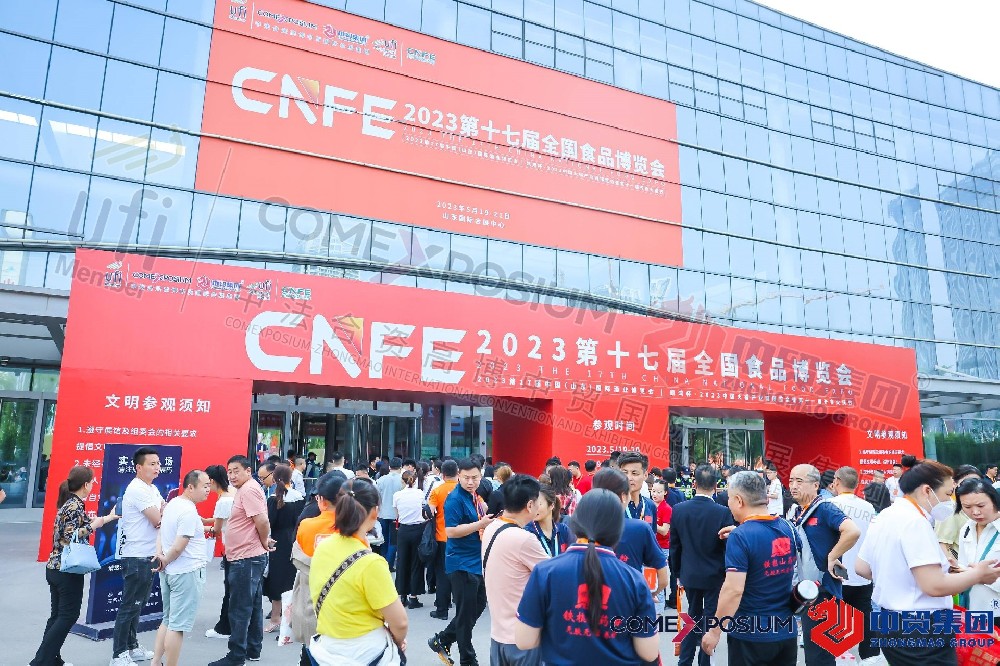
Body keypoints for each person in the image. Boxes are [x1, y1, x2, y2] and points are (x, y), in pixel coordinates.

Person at [856, 460, 1000, 665]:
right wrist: (978, 574)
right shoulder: (915, 522)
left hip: (890, 622)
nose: (949, 501)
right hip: (922, 627)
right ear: (927, 490)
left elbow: (862, 568)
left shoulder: (887, 515)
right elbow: (934, 586)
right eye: (947, 494)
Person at [514, 489, 660, 665]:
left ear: (576, 522)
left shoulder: (545, 572)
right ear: (618, 529)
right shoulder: (634, 580)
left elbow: (524, 641)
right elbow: (649, 652)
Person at [701, 471, 798, 665]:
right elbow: (767, 542)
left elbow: (733, 590)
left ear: (738, 500)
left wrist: (714, 631)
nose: (728, 503)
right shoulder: (788, 528)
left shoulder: (741, 537)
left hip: (750, 634)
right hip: (786, 631)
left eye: (729, 498)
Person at [308, 479, 407, 665]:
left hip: (326, 650)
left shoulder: (322, 547)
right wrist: (397, 641)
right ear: (375, 512)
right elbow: (400, 622)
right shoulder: (371, 563)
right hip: (366, 651)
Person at [31, 466, 119, 666]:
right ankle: (41, 661)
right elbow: (70, 535)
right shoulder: (74, 506)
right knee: (67, 615)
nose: (93, 485)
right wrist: (94, 526)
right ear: (86, 484)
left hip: (56, 567)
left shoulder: (70, 503)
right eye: (92, 482)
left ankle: (51, 659)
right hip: (67, 569)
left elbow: (81, 526)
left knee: (58, 616)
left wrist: (107, 518)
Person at [787, 464, 860, 666]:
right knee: (813, 653)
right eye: (791, 481)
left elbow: (852, 531)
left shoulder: (825, 508)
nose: (793, 486)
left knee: (820, 656)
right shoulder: (797, 511)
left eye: (799, 481)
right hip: (807, 591)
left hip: (824, 592)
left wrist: (833, 556)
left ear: (815, 485)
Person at [208, 456, 275, 666]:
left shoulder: (248, 490)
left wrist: (263, 541)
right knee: (252, 606)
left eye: (236, 471)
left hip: (246, 558)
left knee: (239, 609)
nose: (232, 475)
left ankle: (236, 656)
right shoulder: (246, 489)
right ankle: (252, 650)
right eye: (229, 471)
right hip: (247, 557)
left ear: (248, 470)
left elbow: (262, 521)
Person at [428, 458, 494, 666]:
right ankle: (467, 658)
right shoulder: (454, 499)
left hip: (476, 560)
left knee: (478, 606)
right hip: (460, 562)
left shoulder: (474, 496)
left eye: (474, 477)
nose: (470, 482)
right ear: (459, 476)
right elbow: (451, 531)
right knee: (465, 614)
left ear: (480, 476)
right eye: (466, 478)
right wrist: (480, 524)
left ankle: (444, 639)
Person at [669, 464, 733, 666]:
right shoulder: (723, 512)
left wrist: (677, 572)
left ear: (694, 484)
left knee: (691, 618)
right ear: (715, 486)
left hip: (689, 573)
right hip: (715, 575)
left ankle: (685, 661)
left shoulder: (679, 510)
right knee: (709, 619)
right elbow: (727, 547)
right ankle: (704, 661)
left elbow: (675, 546)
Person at [483, 475, 548, 666]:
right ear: (530, 505)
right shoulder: (523, 539)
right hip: (523, 638)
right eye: (538, 502)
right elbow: (552, 575)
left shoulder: (492, 527)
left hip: (498, 635)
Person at [150, 470, 212, 666]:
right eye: (205, 486)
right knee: (177, 626)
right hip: (186, 572)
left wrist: (161, 558)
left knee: (168, 619)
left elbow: (161, 533)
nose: (208, 490)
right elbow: (179, 546)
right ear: (190, 487)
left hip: (170, 572)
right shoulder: (188, 511)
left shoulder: (173, 504)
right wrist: (165, 559)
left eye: (209, 485)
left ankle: (156, 661)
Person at [111, 446, 164, 666]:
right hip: (137, 557)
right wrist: (163, 513)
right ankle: (118, 654)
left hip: (148, 555)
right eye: (152, 464)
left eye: (158, 463)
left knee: (137, 604)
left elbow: (164, 509)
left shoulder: (152, 488)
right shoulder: (137, 489)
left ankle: (132, 647)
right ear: (138, 467)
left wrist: (163, 512)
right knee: (129, 605)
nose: (157, 467)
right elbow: (158, 519)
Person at [829, 466, 880, 665]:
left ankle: (837, 659)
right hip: (861, 572)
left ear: (836, 481)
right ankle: (871, 659)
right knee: (866, 618)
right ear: (857, 485)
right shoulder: (868, 507)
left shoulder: (829, 505)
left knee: (835, 622)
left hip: (837, 572)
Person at [591, 468, 669, 595]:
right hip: (629, 596)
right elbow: (663, 578)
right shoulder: (640, 528)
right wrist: (648, 596)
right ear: (623, 496)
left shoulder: (577, 528)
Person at [264, 465, 306, 633]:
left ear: (274, 478)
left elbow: (269, 523)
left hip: (277, 542)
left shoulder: (273, 499)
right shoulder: (299, 497)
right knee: (292, 579)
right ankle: (292, 619)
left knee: (276, 579)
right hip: (295, 541)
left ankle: (275, 618)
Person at [955, 477, 1000, 613]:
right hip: (971, 607)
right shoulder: (966, 529)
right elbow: (963, 564)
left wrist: (980, 576)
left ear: (994, 501)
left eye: (981, 506)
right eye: (967, 507)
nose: (975, 512)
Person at [205, 464, 236, 640]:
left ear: (212, 481)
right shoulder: (233, 492)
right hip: (239, 546)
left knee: (229, 589)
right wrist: (205, 520)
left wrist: (197, 526)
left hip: (231, 547)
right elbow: (222, 519)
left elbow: (217, 529)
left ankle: (225, 628)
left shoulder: (223, 500)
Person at [427, 459, 458, 621]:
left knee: (442, 574)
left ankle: (442, 609)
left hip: (442, 537)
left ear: (443, 474)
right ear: (458, 473)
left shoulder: (437, 491)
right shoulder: (465, 490)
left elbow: (429, 511)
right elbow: (483, 508)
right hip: (462, 536)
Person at [936, 464, 983, 569]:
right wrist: (958, 569)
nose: (972, 486)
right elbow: (943, 544)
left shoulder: (986, 507)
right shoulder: (950, 510)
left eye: (977, 481)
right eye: (966, 482)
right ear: (954, 484)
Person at [393, 469, 429, 608]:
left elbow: (397, 514)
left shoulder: (397, 495)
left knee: (402, 562)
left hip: (403, 530)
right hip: (418, 529)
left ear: (402, 481)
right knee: (416, 562)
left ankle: (402, 595)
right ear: (414, 481)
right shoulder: (420, 494)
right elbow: (423, 510)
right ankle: (414, 596)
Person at [525, 484, 572, 557]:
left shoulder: (563, 530)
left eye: (539, 504)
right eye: (532, 504)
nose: (534, 508)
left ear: (551, 505)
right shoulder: (528, 532)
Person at [375, 457, 404, 569]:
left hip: (382, 514)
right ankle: (389, 564)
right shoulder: (402, 480)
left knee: (383, 540)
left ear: (389, 467)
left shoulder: (381, 480)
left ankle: (382, 562)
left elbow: (376, 497)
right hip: (395, 515)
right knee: (393, 541)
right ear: (400, 467)